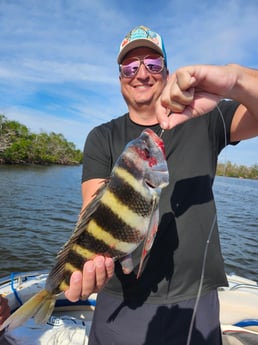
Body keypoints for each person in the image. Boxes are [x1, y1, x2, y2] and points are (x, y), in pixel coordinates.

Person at [65, 26, 258, 345]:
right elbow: (91, 211)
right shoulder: (101, 137)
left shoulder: (205, 117)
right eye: (130, 66)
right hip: (120, 301)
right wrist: (87, 266)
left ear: (166, 73)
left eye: (152, 64)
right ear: (120, 78)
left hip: (194, 303)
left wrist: (234, 79)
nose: (141, 73)